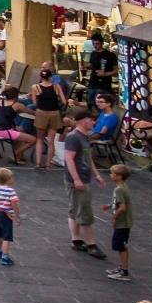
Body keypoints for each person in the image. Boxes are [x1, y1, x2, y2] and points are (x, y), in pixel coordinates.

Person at [64, 109, 108, 258]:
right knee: (85, 211)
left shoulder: (84, 137)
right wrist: (76, 179)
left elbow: (87, 158)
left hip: (82, 177)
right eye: (92, 120)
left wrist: (96, 174)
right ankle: (91, 244)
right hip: (78, 179)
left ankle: (76, 240)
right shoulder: (74, 137)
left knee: (75, 209)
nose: (94, 122)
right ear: (84, 121)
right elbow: (69, 159)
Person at [0, 167, 20, 268]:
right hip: (7, 215)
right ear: (8, 179)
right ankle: (5, 257)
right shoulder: (11, 191)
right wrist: (17, 215)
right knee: (7, 236)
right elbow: (14, 203)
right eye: (12, 177)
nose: (13, 179)